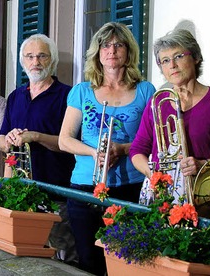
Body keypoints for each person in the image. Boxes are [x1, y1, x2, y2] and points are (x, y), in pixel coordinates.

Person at [58, 22, 155, 275]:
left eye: (118, 44)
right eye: (105, 45)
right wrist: (94, 152)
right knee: (89, 260)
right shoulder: (82, 91)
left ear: (128, 51)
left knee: (126, 261)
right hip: (85, 187)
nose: (111, 50)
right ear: (97, 53)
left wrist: (122, 148)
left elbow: (154, 142)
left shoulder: (145, 91)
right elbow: (64, 140)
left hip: (129, 186)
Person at [130, 29, 210, 204]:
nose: (172, 65)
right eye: (165, 60)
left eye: (178, 56)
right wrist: (153, 175)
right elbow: (137, 150)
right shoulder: (157, 103)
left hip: (206, 196)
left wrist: (203, 165)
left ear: (196, 57)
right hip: (162, 197)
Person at [0, 34, 77, 264]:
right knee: (25, 257)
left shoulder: (67, 95)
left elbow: (69, 144)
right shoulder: (15, 96)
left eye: (42, 56)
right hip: (21, 192)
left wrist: (36, 137)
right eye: (30, 56)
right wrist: (8, 140)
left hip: (56, 192)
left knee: (62, 256)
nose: (36, 62)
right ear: (23, 61)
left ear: (52, 60)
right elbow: (0, 139)